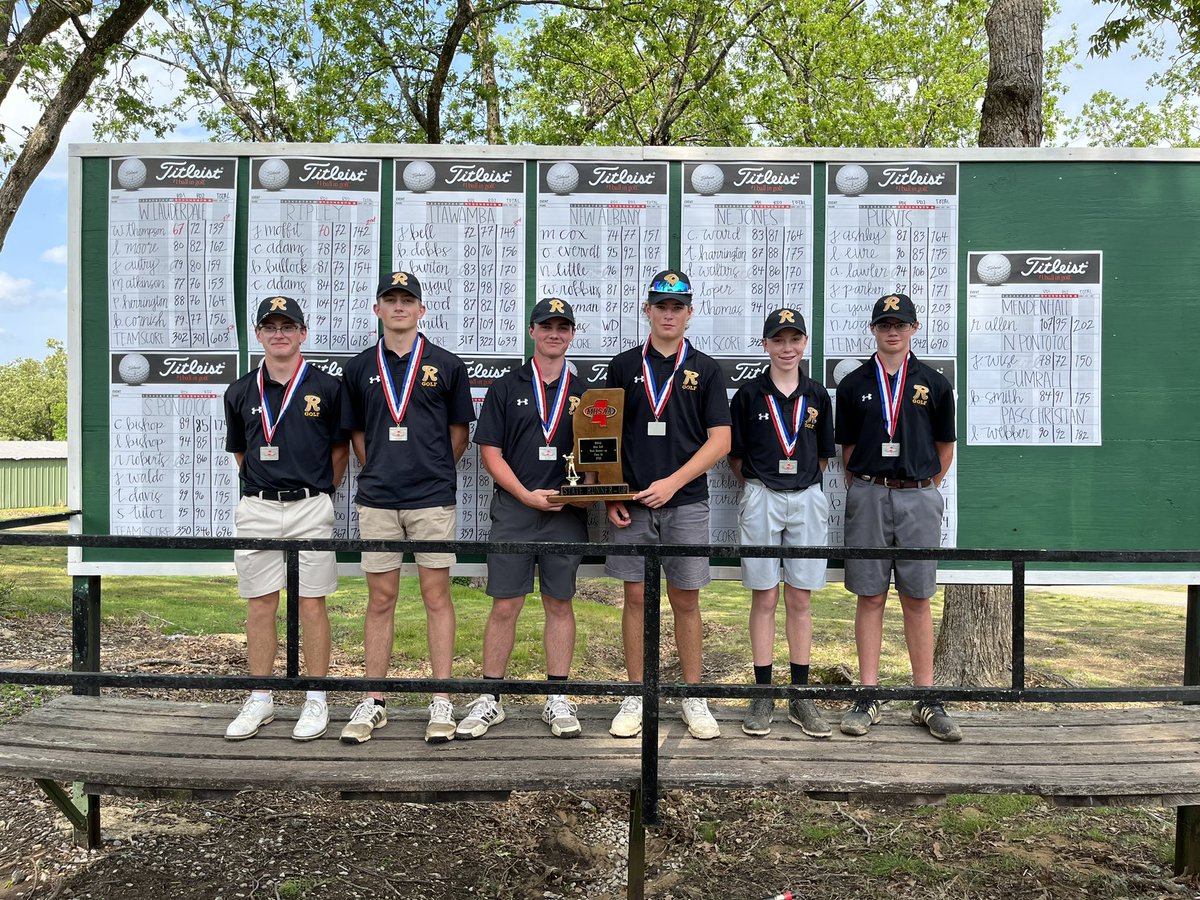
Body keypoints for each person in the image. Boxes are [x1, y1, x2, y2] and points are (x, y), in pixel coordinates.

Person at [340, 272, 474, 744]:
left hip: (432, 499)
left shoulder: (446, 365)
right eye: (390, 299)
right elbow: (355, 434)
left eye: (407, 300)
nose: (399, 307)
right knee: (380, 599)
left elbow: (460, 432)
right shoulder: (358, 368)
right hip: (377, 499)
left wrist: (433, 468)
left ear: (421, 310)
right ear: (377, 309)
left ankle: (441, 697)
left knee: (437, 596)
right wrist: (377, 466)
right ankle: (374, 699)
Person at [604, 269, 732, 740]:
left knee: (686, 598)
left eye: (677, 307)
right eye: (661, 305)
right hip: (633, 504)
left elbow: (720, 440)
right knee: (635, 597)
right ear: (648, 311)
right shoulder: (622, 366)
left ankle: (693, 694)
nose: (669, 314)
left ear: (689, 313)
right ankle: (637, 692)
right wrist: (611, 494)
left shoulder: (706, 368)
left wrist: (674, 483)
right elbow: (603, 437)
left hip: (687, 502)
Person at [458, 298, 590, 739]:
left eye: (562, 327)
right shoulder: (505, 386)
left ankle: (557, 697)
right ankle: (490, 697)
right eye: (546, 326)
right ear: (532, 331)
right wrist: (524, 495)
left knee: (559, 603)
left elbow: (598, 454)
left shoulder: (586, 392)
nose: (554, 333)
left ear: (572, 334)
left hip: (566, 513)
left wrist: (588, 488)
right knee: (506, 604)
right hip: (515, 509)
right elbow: (489, 452)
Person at [834, 293, 960, 742]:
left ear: (914, 328)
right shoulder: (853, 384)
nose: (892, 331)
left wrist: (923, 487)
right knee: (869, 596)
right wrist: (872, 484)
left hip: (919, 496)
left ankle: (925, 697)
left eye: (900, 324)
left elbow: (945, 445)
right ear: (873, 329)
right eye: (885, 324)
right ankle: (868, 695)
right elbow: (846, 450)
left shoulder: (934, 382)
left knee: (918, 597)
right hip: (868, 493)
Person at [222, 296, 349, 742]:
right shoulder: (240, 391)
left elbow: (340, 450)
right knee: (260, 603)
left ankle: (316, 698)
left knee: (312, 603)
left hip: (310, 506)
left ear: (303, 333)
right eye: (270, 326)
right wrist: (265, 487)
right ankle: (260, 697)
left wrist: (320, 494)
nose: (280, 333)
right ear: (258, 334)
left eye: (288, 325)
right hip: (257, 506)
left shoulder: (328, 388)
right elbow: (241, 451)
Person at [728, 308, 834, 738]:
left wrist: (797, 482)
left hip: (807, 496)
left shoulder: (817, 394)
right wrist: (762, 486)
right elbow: (735, 458)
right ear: (766, 345)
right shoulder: (750, 395)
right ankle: (763, 691)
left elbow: (823, 453)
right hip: (762, 495)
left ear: (804, 342)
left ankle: (800, 694)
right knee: (764, 597)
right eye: (778, 340)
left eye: (795, 339)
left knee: (801, 599)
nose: (787, 348)